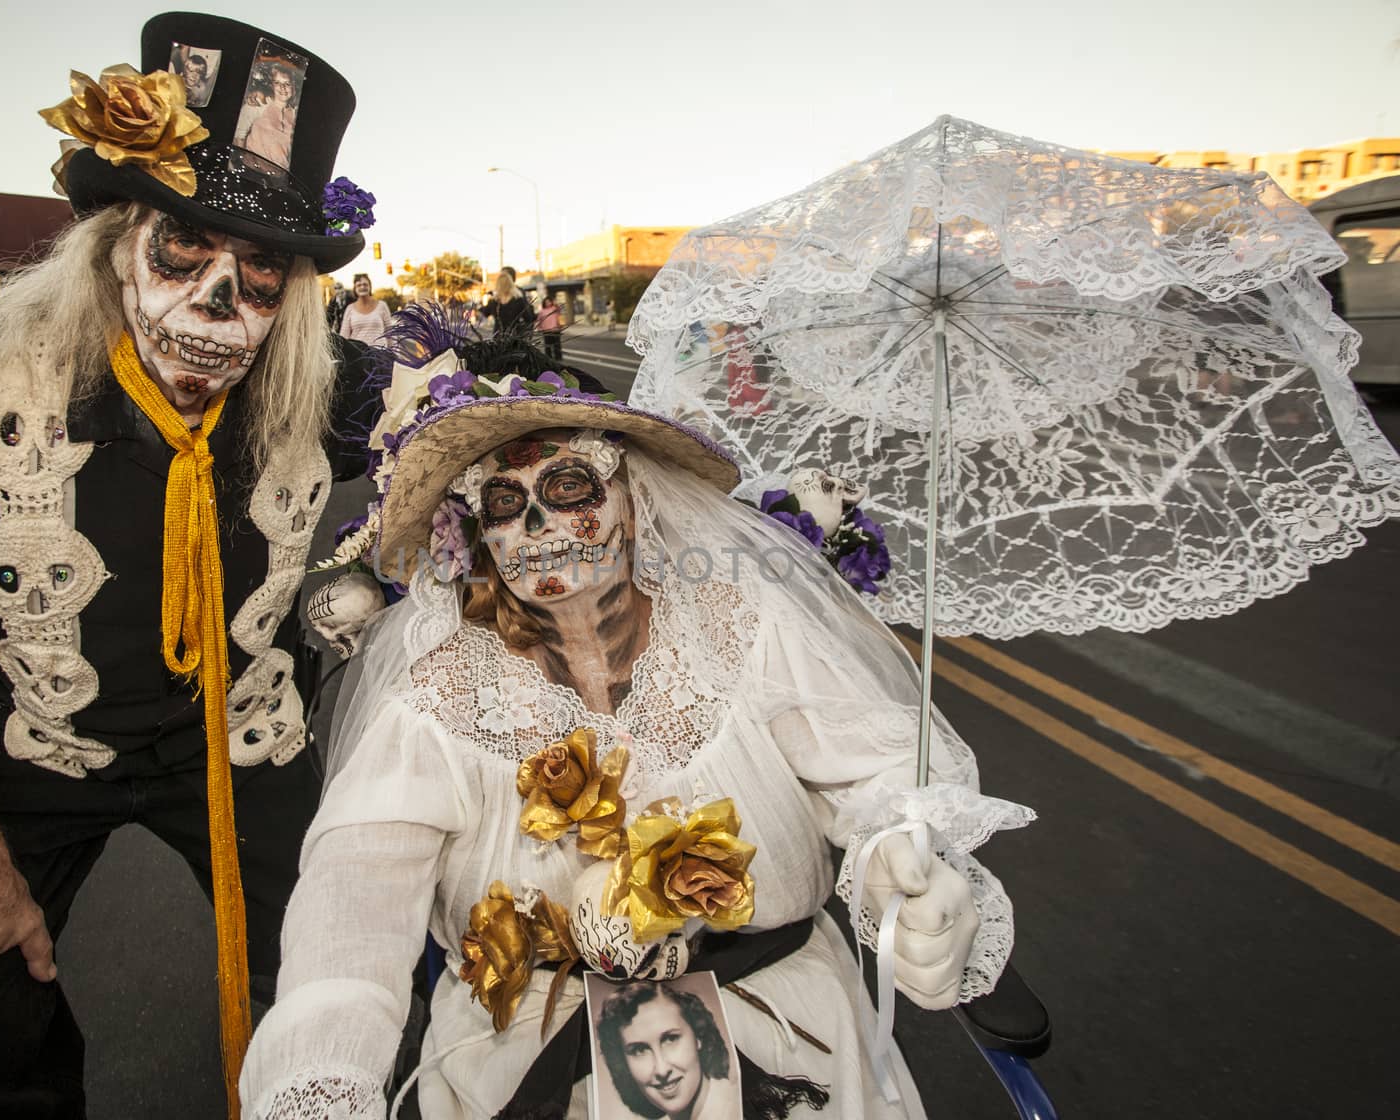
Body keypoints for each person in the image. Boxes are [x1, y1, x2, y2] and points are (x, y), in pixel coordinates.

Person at [238, 315, 1032, 1118]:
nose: (536, 528)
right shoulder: (443, 683)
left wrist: (900, 858)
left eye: (569, 488)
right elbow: (356, 887)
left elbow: (872, 769)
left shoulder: (739, 623)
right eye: (506, 503)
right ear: (480, 534)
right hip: (524, 1052)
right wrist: (322, 1068)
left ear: (633, 498)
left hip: (789, 1036)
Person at [0, 14, 383, 1118]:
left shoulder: (330, 388)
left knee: (337, 978)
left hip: (240, 730)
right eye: (184, 250)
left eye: (263, 273)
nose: (220, 301)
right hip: (21, 742)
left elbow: (498, 433)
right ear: (115, 237)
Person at [597, 983, 738, 1120]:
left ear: (698, 1036)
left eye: (671, 1039)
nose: (662, 1070)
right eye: (639, 1050)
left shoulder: (739, 1106)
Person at [240, 62, 299, 168]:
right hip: (251, 170)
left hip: (278, 177)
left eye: (287, 83)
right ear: (272, 85)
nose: (282, 88)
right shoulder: (258, 103)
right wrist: (238, 165)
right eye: (277, 83)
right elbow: (239, 136)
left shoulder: (295, 115)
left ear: (293, 88)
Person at [481, 265, 534, 338]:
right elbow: (528, 318)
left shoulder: (494, 300)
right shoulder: (518, 297)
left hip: (498, 337)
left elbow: (485, 312)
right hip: (515, 337)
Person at [340, 273, 392, 345]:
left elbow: (390, 332)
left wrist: (393, 354)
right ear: (355, 289)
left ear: (370, 287)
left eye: (365, 284)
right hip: (359, 353)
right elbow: (344, 336)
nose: (362, 287)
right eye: (359, 285)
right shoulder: (350, 309)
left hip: (380, 352)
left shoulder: (382, 306)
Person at [536, 294, 563, 360]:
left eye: (549, 301)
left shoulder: (555, 309)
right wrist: (539, 328)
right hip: (546, 330)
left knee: (557, 345)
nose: (548, 303)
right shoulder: (542, 311)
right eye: (546, 302)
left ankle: (558, 357)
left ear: (551, 302)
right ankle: (549, 358)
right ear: (544, 303)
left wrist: (555, 303)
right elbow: (539, 320)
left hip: (555, 330)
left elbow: (560, 308)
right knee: (547, 345)